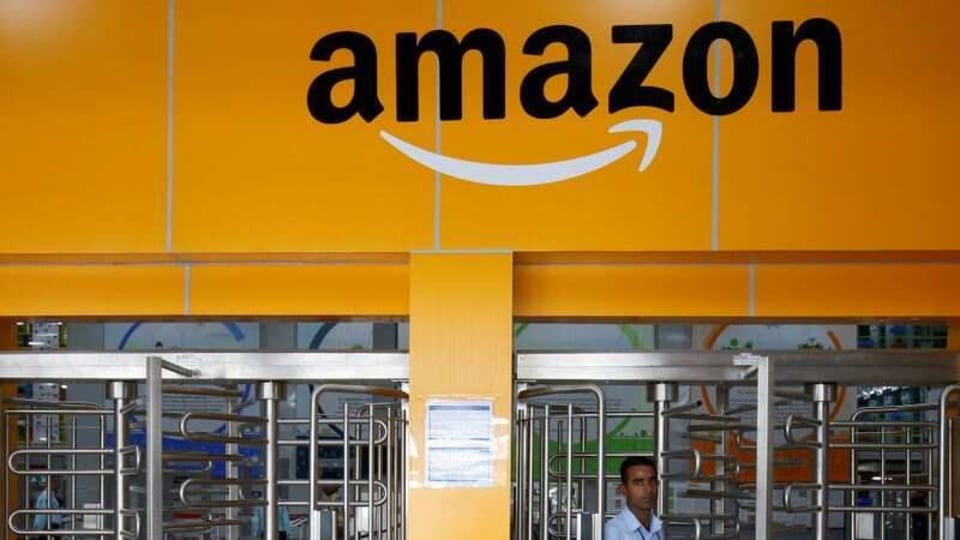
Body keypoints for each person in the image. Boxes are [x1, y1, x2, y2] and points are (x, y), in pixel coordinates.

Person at [604, 456, 662, 540]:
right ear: (623, 490)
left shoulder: (658, 528)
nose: (649, 489)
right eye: (639, 483)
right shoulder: (613, 532)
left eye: (652, 481)